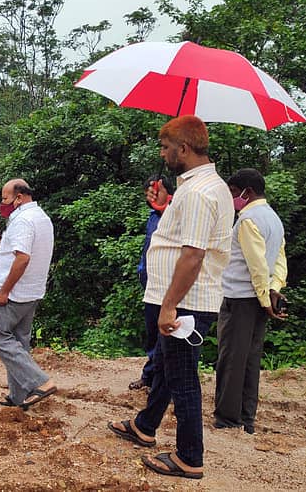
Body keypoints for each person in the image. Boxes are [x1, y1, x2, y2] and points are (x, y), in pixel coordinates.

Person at [108, 115, 233, 480]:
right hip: (185, 298)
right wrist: (165, 207)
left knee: (182, 378)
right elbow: (185, 234)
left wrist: (168, 306)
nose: (163, 155)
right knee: (165, 365)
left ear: (184, 148)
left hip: (185, 302)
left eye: (165, 148)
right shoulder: (200, 187)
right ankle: (145, 425)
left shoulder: (198, 193)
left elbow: (192, 255)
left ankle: (189, 457)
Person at [214, 168, 287, 435]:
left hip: (241, 298)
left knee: (232, 358)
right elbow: (279, 260)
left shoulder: (247, 220)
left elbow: (256, 264)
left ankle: (227, 418)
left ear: (248, 192)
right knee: (250, 359)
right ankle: (247, 417)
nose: (233, 199)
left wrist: (264, 296)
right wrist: (273, 289)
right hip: (259, 299)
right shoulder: (274, 219)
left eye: (234, 193)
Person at [0, 178, 57, 410]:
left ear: (19, 197)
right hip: (32, 291)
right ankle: (18, 397)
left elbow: (23, 258)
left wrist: (4, 291)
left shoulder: (23, 221)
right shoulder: (41, 217)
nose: (3, 204)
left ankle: (40, 382)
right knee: (19, 341)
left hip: (15, 293)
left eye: (5, 199)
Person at [129, 176, 174, 392]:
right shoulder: (152, 216)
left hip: (169, 286)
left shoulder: (175, 214)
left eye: (155, 191)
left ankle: (162, 383)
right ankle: (149, 376)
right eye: (148, 192)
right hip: (150, 283)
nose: (150, 196)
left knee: (167, 337)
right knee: (152, 335)